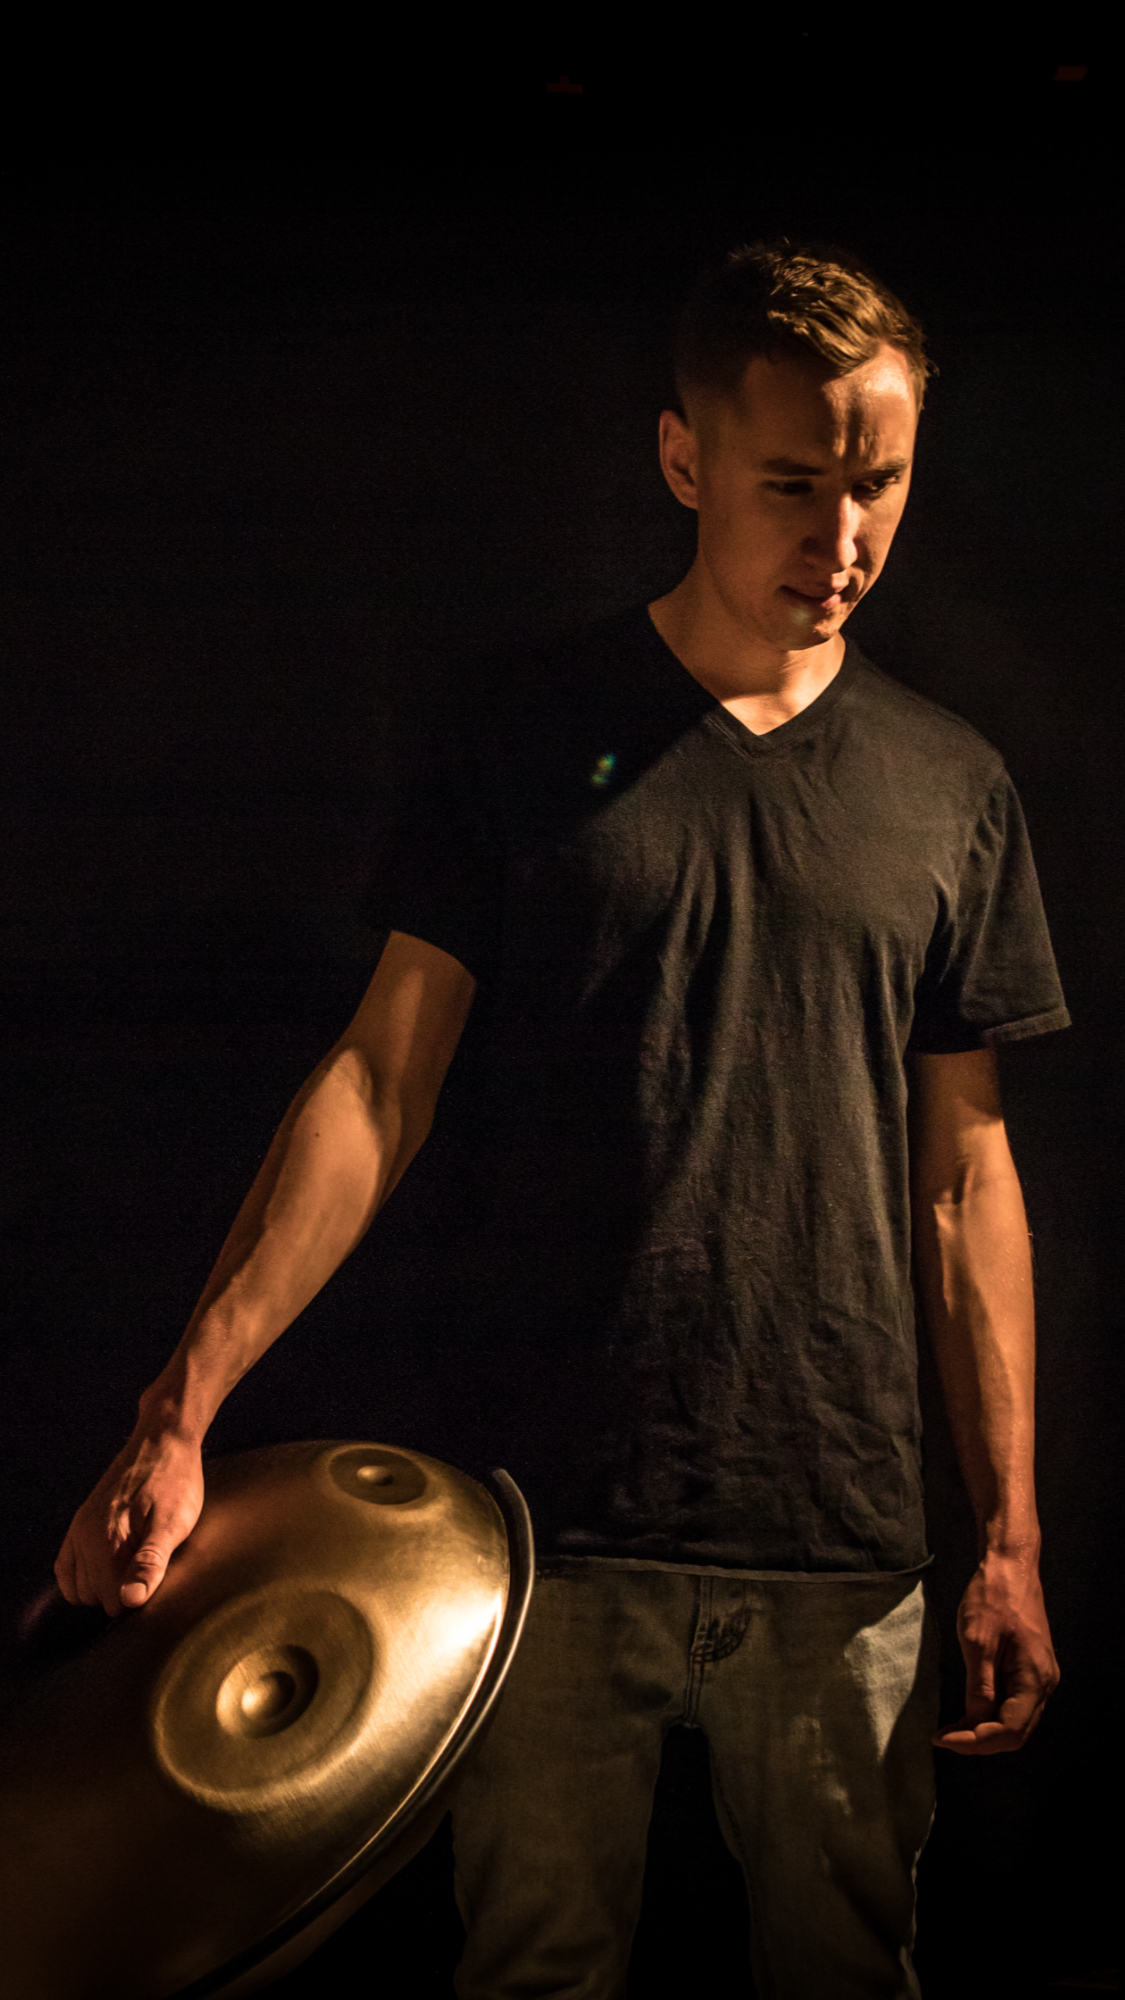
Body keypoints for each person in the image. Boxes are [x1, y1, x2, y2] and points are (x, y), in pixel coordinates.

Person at [55, 241, 1068, 1998]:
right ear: (681, 458)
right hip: (538, 1530)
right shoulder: (521, 731)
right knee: (533, 1971)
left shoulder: (950, 785)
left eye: (880, 484)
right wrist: (180, 1406)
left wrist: (1010, 1539)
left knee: (851, 1967)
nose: (843, 538)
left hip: (839, 1534)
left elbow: (964, 1174)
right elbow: (380, 1082)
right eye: (792, 485)